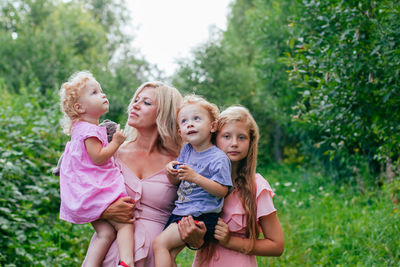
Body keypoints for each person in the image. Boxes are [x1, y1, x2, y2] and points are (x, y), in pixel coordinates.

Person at [82, 81, 183, 267]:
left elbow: (196, 210)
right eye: (136, 99)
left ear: (163, 113)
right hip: (109, 258)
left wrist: (191, 240)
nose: (135, 105)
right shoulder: (111, 153)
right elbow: (79, 196)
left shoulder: (180, 162)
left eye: (146, 102)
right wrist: (104, 211)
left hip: (155, 259)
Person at [178, 105, 284, 266]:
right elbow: (197, 239)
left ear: (251, 142)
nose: (234, 143)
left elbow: (277, 246)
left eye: (242, 137)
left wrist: (230, 241)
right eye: (226, 136)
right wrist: (195, 240)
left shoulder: (257, 186)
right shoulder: (199, 181)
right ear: (214, 138)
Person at [58, 71, 134, 267]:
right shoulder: (89, 130)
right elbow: (99, 158)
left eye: (101, 91)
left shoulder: (80, 128)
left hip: (83, 191)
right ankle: (127, 263)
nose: (103, 95)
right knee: (125, 224)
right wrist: (116, 142)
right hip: (93, 189)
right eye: (94, 92)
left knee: (105, 233)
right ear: (79, 107)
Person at [152, 95, 232, 267]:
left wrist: (195, 177)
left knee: (160, 244)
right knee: (170, 254)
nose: (190, 123)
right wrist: (170, 173)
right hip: (182, 211)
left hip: (201, 214)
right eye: (184, 121)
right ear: (181, 132)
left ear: (212, 126)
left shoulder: (218, 158)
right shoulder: (187, 150)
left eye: (196, 118)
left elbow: (222, 191)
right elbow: (178, 182)